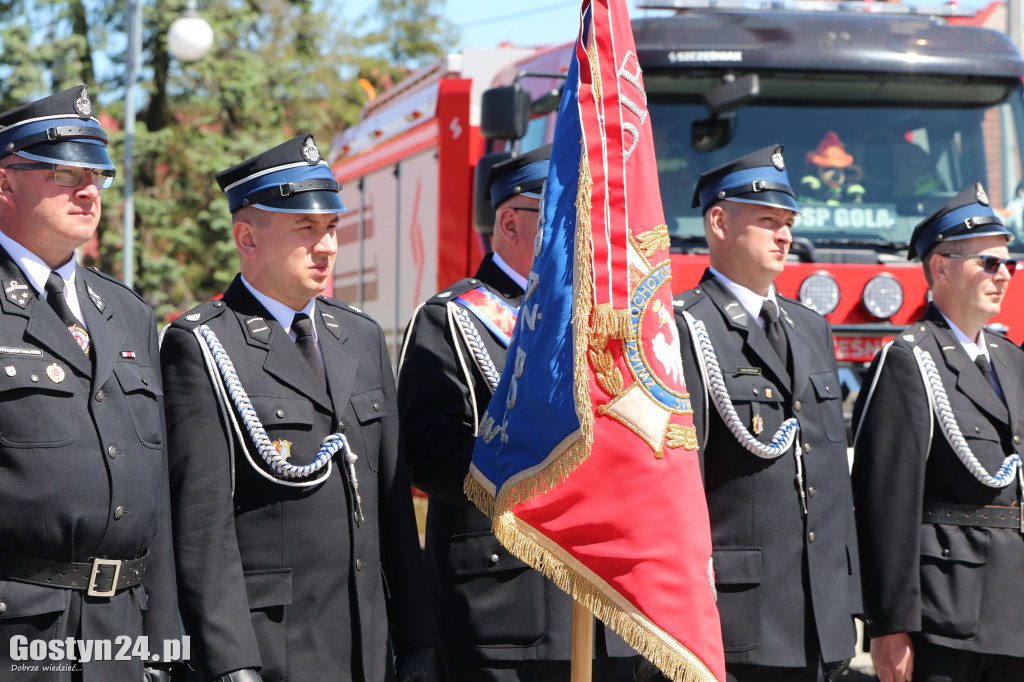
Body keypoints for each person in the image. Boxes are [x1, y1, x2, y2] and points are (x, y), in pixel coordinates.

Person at [161, 134, 436, 682]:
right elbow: (202, 526)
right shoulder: (205, 344)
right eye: (306, 228)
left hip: (367, 645)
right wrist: (230, 662)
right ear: (247, 238)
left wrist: (418, 639)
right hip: (273, 647)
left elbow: (393, 507)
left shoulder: (358, 336)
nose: (327, 246)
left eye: (331, 227)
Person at [397, 145, 643, 681]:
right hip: (504, 606)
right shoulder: (451, 319)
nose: (585, 235)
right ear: (510, 223)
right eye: (568, 218)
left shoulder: (598, 324)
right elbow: (428, 455)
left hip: (605, 607)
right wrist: (544, 466)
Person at [0, 85, 179, 681]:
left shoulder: (127, 312)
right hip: (17, 635)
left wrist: (164, 647)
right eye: (64, 173)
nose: (88, 189)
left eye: (96, 174)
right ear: (5, 184)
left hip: (119, 637)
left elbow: (156, 494)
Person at [672, 145, 862, 682]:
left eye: (788, 223)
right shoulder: (684, 327)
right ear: (719, 222)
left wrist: (848, 599)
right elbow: (678, 486)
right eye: (768, 221)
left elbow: (831, 480)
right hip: (735, 618)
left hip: (818, 616)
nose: (784, 236)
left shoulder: (811, 328)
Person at [851, 182, 1024, 682]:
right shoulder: (909, 360)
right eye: (988, 263)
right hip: (945, 612)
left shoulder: (1012, 360)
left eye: (1009, 263)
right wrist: (889, 624)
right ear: (941, 268)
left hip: (1013, 612)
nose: (1003, 274)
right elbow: (885, 504)